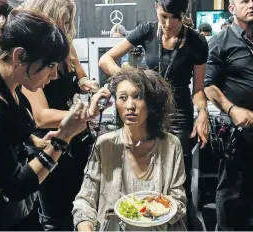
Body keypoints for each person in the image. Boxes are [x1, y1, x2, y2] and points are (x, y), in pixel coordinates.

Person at [0, 8, 110, 231]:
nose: (55, 75)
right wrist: (62, 139)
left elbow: (20, 128)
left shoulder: (12, 86)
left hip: (24, 210)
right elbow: (14, 187)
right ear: (19, 57)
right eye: (51, 66)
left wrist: (40, 142)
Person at [99, 0, 209, 229]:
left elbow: (198, 90)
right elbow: (105, 60)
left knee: (177, 184)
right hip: (147, 114)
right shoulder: (147, 31)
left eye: (175, 18)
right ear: (156, 8)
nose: (169, 24)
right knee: (143, 177)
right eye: (163, 17)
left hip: (179, 117)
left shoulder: (197, 42)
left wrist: (203, 112)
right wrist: (133, 83)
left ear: (184, 14)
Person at [18, 0, 100, 230]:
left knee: (82, 204)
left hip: (77, 139)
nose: (65, 28)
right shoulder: (31, 60)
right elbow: (41, 116)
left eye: (68, 22)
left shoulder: (65, 45)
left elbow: (80, 77)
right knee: (57, 216)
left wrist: (87, 84)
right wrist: (83, 114)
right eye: (61, 22)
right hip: (49, 143)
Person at [72, 68, 186, 231]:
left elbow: (178, 201)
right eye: (123, 98)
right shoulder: (105, 144)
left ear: (152, 102)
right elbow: (84, 201)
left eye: (138, 97)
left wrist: (157, 210)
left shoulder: (171, 145)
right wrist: (86, 227)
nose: (130, 106)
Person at [204, 0, 253, 230]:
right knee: (233, 203)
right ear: (232, 8)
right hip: (240, 137)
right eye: (244, 1)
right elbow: (208, 85)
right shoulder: (220, 42)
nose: (251, 4)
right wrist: (232, 109)